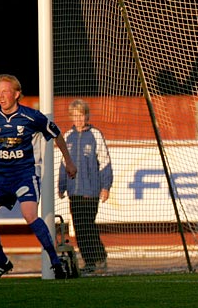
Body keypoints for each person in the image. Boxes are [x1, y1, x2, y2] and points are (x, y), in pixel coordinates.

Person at [0, 74, 78, 281]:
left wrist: (69, 162)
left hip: (24, 174)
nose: (1, 96)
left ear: (16, 94)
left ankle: (55, 262)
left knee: (29, 214)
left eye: (5, 92)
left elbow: (56, 134)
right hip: (2, 176)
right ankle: (2, 261)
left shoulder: (32, 117)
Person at [58, 99, 113, 274]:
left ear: (87, 116)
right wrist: (62, 185)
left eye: (81, 115)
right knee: (79, 226)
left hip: (91, 190)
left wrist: (106, 186)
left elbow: (104, 162)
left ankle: (94, 259)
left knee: (87, 224)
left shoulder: (95, 134)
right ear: (71, 117)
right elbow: (63, 163)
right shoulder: (68, 136)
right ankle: (94, 258)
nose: (79, 119)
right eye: (75, 116)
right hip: (74, 191)